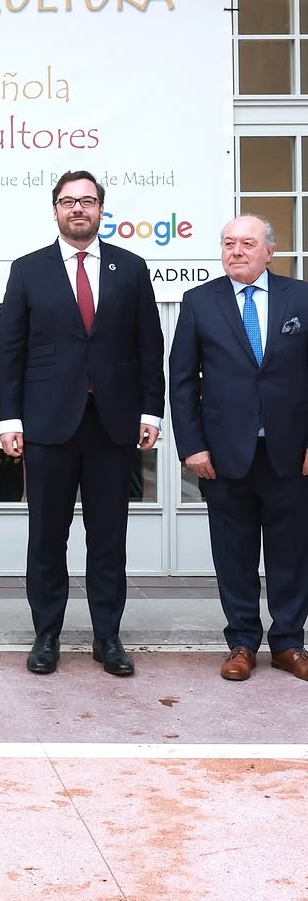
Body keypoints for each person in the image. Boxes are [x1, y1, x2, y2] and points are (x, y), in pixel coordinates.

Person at [0, 171, 165, 678]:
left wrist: (151, 411)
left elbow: (149, 344)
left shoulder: (130, 268)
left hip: (114, 425)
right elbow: (10, 350)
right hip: (48, 424)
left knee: (108, 537)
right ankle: (46, 634)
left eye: (87, 201)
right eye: (68, 201)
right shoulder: (28, 269)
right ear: (55, 210)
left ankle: (107, 636)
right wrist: (9, 418)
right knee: (47, 537)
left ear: (100, 209)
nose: (78, 209)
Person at [169, 215, 308, 682]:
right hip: (224, 455)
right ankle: (242, 642)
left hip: (291, 453)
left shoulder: (301, 298)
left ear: (270, 251)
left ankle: (289, 643)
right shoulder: (199, 301)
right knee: (233, 554)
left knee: (292, 553)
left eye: (247, 243)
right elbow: (182, 380)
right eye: (229, 243)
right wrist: (192, 446)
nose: (237, 251)